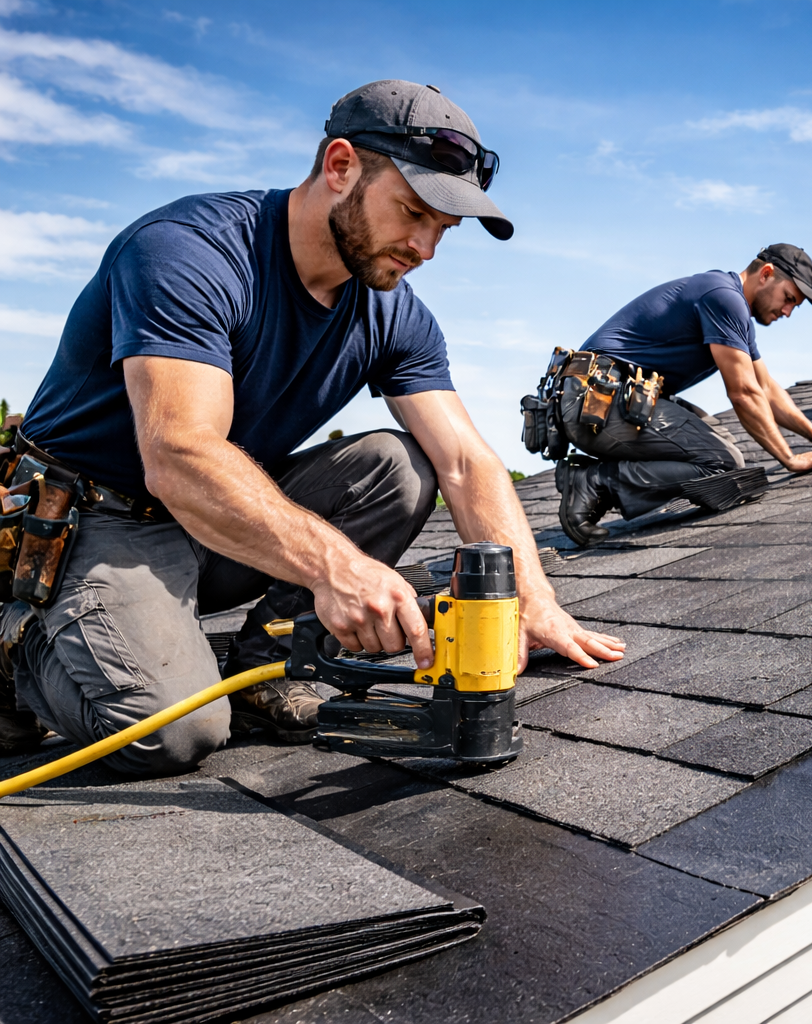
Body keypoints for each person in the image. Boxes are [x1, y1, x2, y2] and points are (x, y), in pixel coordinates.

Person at [0, 80, 624, 771]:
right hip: (92, 522)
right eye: (412, 212)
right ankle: (18, 643)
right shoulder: (189, 251)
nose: (425, 249)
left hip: (207, 525)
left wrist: (531, 601)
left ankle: (269, 664)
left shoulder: (393, 311)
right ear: (340, 167)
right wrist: (337, 568)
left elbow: (466, 464)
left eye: (443, 231)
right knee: (174, 733)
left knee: (397, 465)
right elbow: (179, 453)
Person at [553, 244, 812, 545]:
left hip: (607, 401)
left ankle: (595, 485)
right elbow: (744, 393)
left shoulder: (731, 307)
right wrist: (790, 459)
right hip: (595, 402)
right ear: (767, 273)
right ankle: (596, 482)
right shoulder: (723, 298)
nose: (787, 312)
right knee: (722, 464)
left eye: (794, 306)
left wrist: (811, 432)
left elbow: (764, 385)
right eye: (788, 298)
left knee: (724, 452)